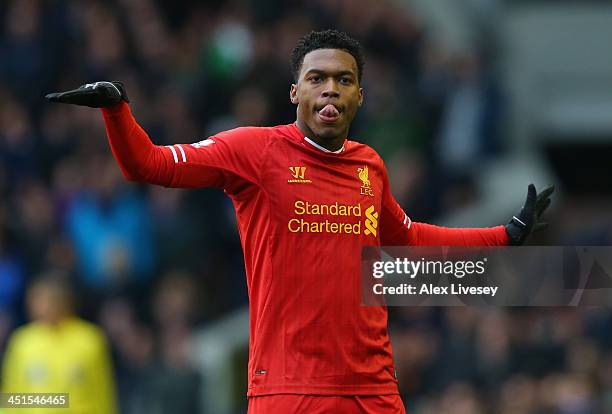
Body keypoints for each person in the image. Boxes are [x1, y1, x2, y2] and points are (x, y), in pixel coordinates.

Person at [46, 29, 553, 414]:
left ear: (359, 96)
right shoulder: (252, 151)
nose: (330, 89)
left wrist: (501, 237)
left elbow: (408, 235)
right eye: (317, 78)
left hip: (372, 388)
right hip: (288, 389)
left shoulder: (369, 165)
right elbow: (149, 164)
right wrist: (116, 108)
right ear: (295, 93)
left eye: (343, 80)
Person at [1, 273, 117, 414]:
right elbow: (11, 394)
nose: (37, 306)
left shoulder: (89, 339)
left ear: (63, 301)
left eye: (43, 299)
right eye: (33, 299)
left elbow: (103, 391)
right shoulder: (22, 340)